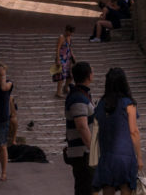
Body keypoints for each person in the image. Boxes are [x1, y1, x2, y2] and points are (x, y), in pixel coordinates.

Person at [91, 67, 142, 195]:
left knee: (108, 189)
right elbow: (134, 131)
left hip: (107, 155)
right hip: (125, 155)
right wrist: (139, 158)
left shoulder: (101, 104)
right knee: (126, 188)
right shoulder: (128, 104)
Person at [65, 60, 95, 195]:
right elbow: (82, 126)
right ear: (89, 76)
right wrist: (93, 150)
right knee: (85, 189)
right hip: (83, 153)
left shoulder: (82, 95)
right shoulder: (78, 97)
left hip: (83, 152)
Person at [55, 22, 75, 97]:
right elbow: (57, 48)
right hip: (62, 58)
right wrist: (57, 59)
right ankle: (58, 92)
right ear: (67, 30)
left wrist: (73, 55)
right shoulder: (61, 37)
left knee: (70, 75)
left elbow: (69, 47)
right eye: (70, 32)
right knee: (61, 76)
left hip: (68, 58)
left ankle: (65, 87)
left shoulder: (69, 38)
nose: (71, 34)